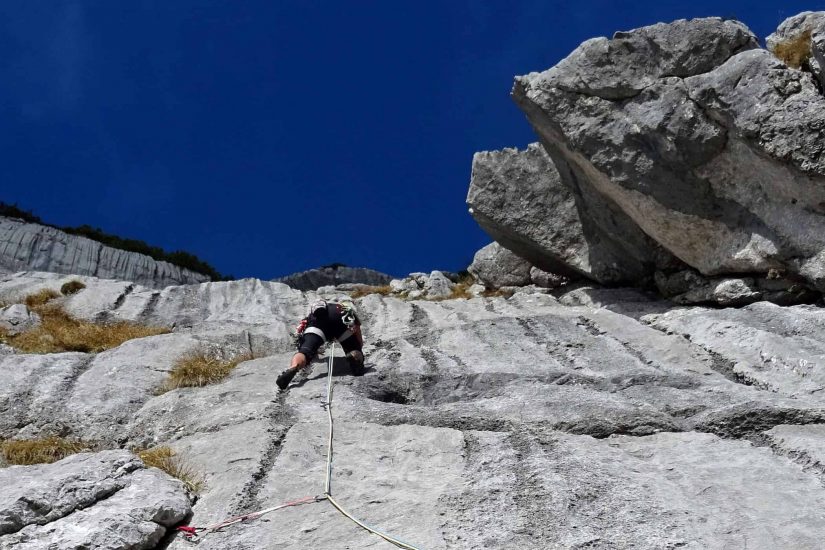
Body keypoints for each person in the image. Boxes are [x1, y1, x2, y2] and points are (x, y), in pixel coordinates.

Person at [276, 299, 365, 390]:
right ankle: (354, 355)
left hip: (318, 323)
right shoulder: (344, 309)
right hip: (341, 323)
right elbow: (357, 328)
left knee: (305, 351)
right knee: (353, 348)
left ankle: (294, 366)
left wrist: (311, 350)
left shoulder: (314, 314)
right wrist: (358, 347)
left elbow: (303, 334)